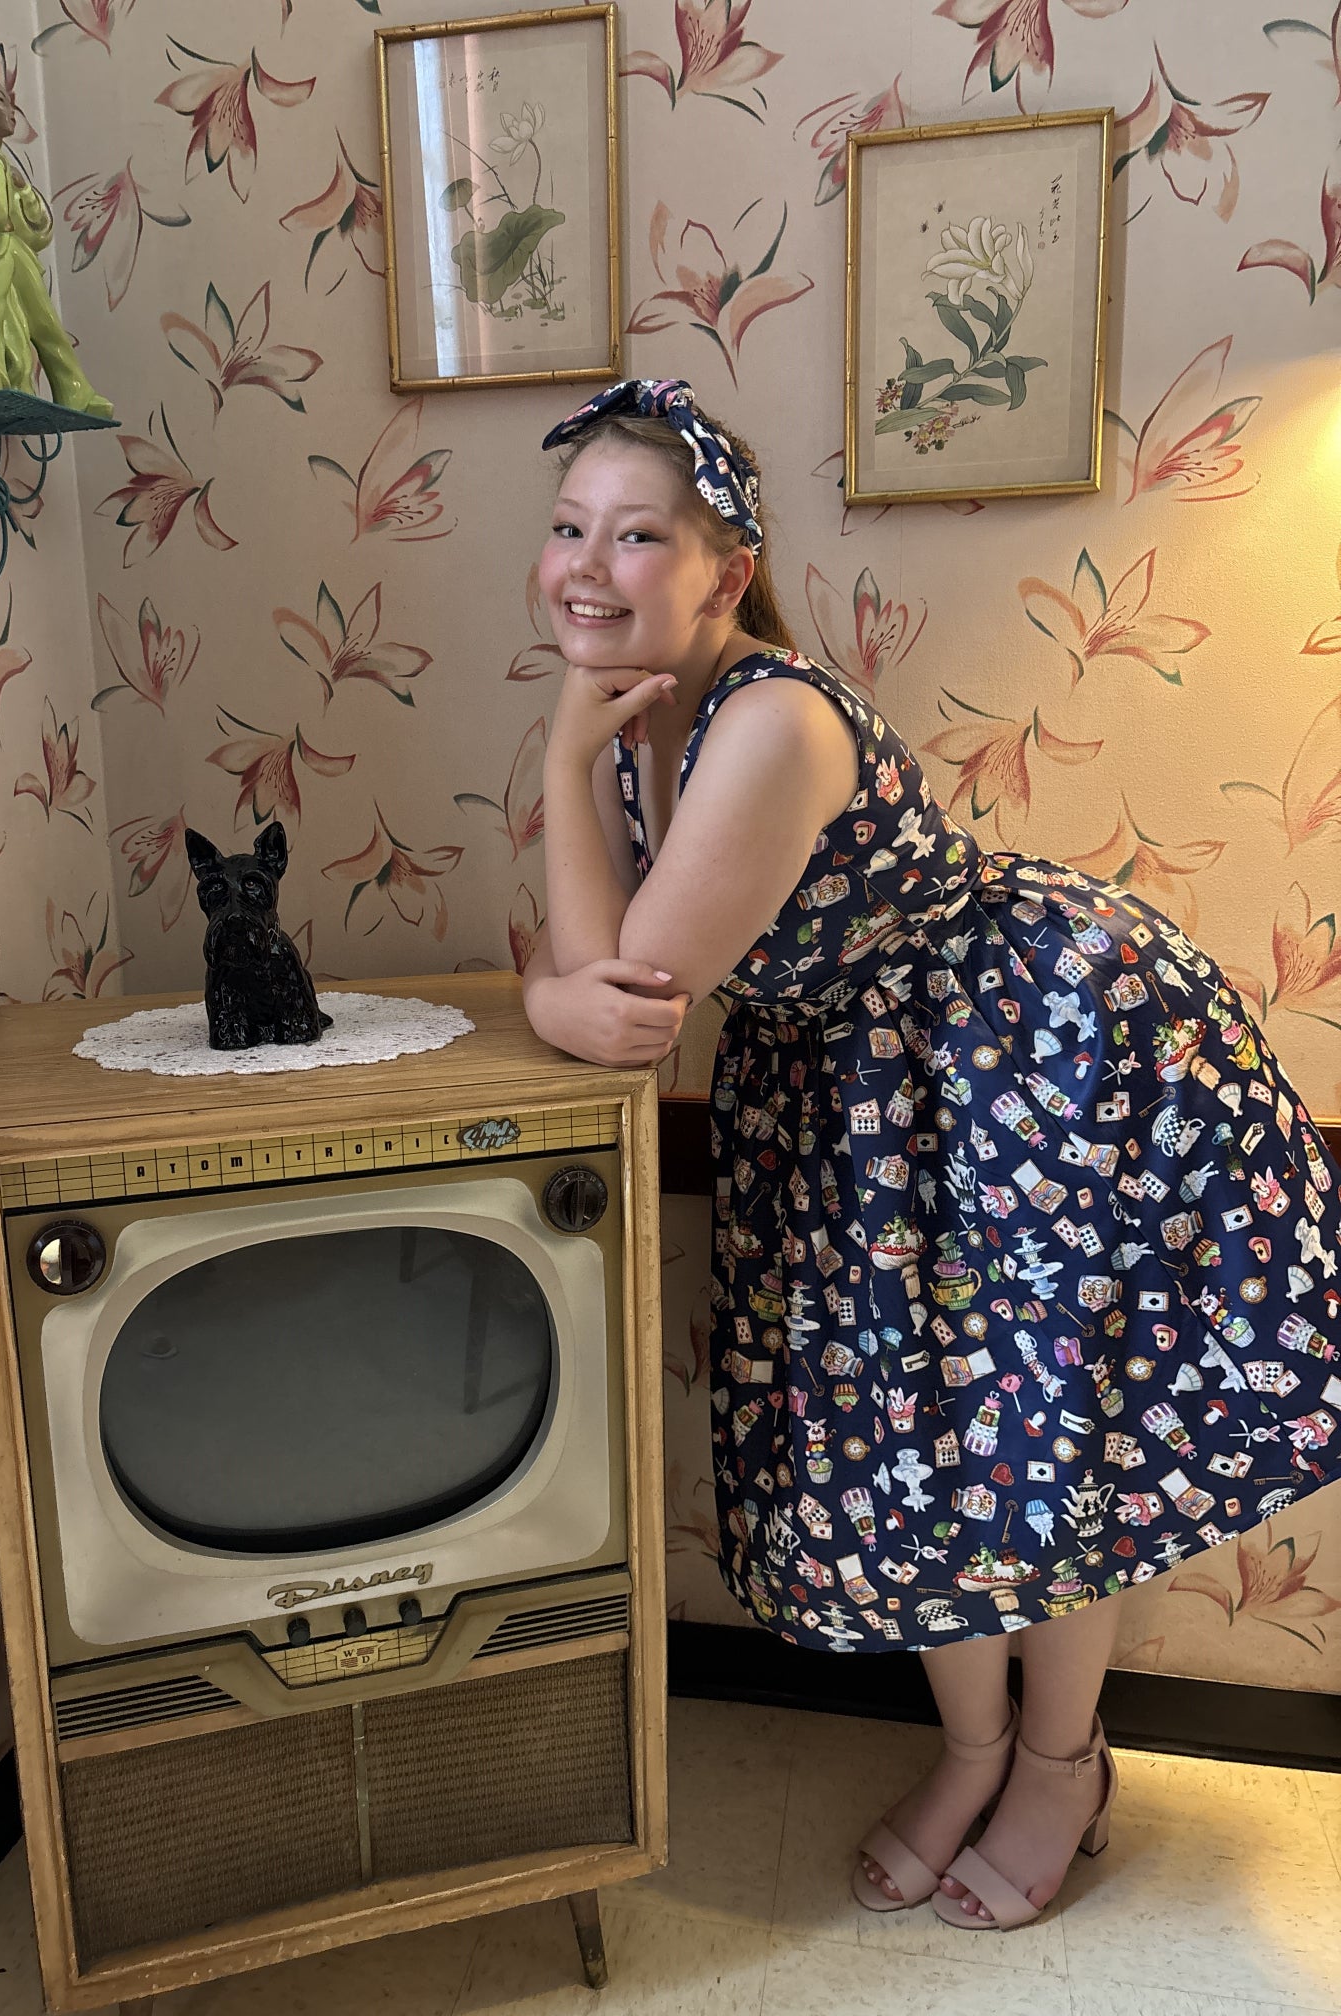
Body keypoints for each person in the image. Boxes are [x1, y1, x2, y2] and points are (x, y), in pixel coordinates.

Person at [520, 376, 1341, 1931]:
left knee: (1043, 1425)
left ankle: (1061, 1761)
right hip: (862, 1097)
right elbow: (604, 986)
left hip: (1035, 1058)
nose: (582, 563)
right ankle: (973, 1751)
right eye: (566, 527)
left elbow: (621, 1003)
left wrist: (564, 785)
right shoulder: (647, 712)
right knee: (915, 1441)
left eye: (636, 534)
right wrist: (580, 811)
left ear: (726, 563)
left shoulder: (767, 722)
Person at [0, 74, 112, 417]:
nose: (13, 112)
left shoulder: (6, 169)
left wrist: (26, 195)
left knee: (47, 326)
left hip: (11, 252)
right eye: (2, 101)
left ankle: (74, 389)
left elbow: (38, 235)